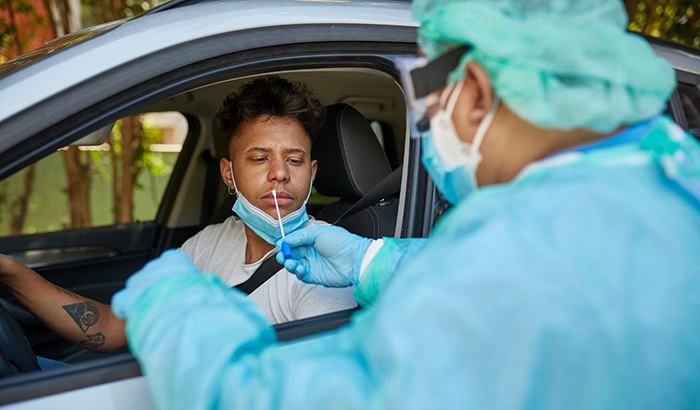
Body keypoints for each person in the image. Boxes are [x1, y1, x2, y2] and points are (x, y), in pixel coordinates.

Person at [111, 1, 700, 409]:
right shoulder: (667, 178)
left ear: (474, 92)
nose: (425, 126)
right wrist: (374, 262)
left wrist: (175, 309)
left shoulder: (520, 254)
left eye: (423, 98)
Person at [0, 76, 356, 357]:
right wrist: (12, 272)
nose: (279, 173)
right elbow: (109, 327)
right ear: (228, 174)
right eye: (259, 158)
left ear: (311, 172)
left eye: (294, 160)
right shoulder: (209, 244)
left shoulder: (324, 268)